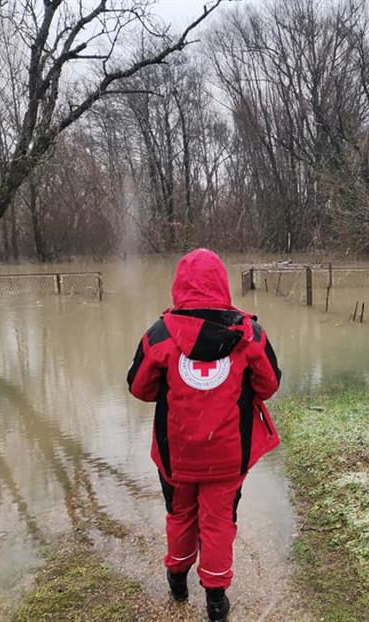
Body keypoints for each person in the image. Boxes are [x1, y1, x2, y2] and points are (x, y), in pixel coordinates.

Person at [127, 249, 281, 621]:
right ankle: (215, 600)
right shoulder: (250, 334)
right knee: (218, 522)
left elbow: (139, 388)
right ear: (222, 286)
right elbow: (269, 384)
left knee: (179, 515)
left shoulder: (158, 335)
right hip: (229, 457)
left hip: (175, 457)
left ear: (179, 286)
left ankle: (177, 580)